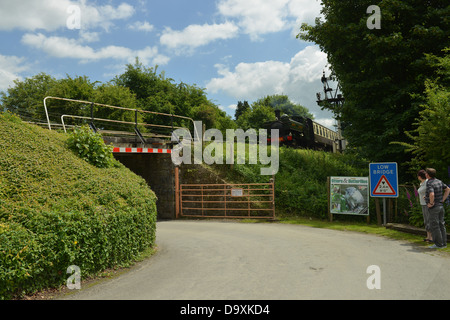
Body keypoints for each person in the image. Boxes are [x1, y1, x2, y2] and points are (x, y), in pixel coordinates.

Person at [425, 168, 450, 249]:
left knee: (435, 226)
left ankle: (438, 244)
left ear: (427, 175)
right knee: (441, 224)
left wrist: (431, 203)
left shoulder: (429, 183)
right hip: (440, 206)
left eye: (426, 173)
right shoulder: (439, 181)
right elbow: (448, 189)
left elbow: (432, 194)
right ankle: (444, 243)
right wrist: (442, 199)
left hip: (434, 207)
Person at [417, 170, 432, 242]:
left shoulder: (427, 182)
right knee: (426, 220)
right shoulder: (422, 183)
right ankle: (428, 236)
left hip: (427, 204)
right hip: (423, 203)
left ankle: (431, 237)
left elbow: (431, 191)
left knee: (429, 220)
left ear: (419, 176)